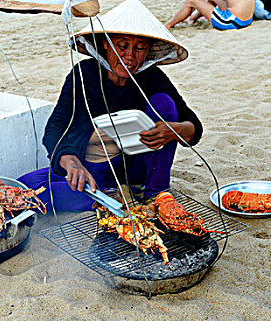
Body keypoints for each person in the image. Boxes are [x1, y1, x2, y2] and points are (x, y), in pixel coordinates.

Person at [17, 0, 203, 211]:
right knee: (25, 186)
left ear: (149, 50)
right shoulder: (84, 74)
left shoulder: (152, 77)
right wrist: (70, 161)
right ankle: (105, 195)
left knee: (164, 103)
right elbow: (54, 128)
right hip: (90, 168)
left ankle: (155, 193)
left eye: (139, 48)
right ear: (106, 43)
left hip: (133, 170)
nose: (130, 56)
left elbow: (193, 125)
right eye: (122, 46)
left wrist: (175, 131)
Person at [165, 0, 254, 30]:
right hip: (246, 21)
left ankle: (167, 26)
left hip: (230, 22)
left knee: (191, 1)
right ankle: (192, 19)